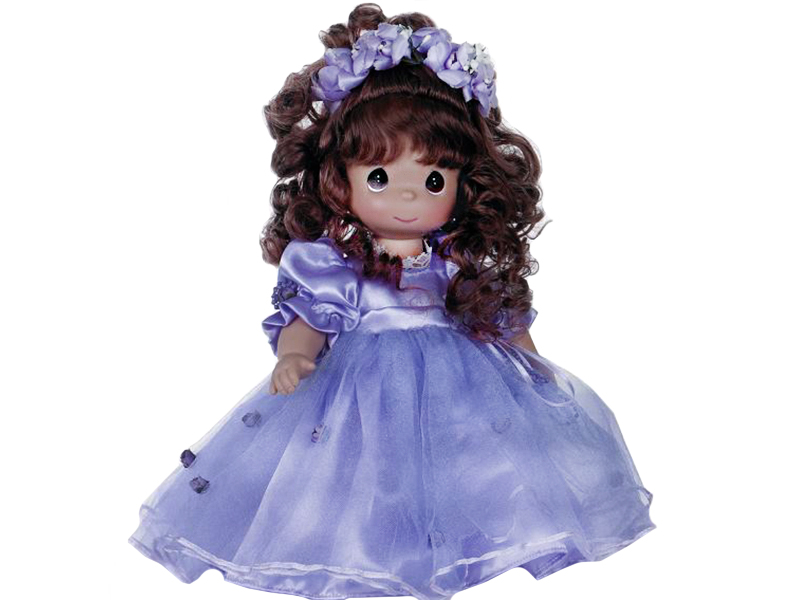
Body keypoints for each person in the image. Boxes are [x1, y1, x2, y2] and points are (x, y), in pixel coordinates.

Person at [128, 5, 656, 599]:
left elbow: (501, 321)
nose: (407, 195)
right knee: (364, 489)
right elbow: (308, 319)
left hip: (463, 399)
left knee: (466, 483)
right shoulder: (333, 264)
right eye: (379, 176)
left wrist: (536, 369)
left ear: (463, 182)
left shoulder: (456, 261)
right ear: (341, 177)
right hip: (359, 400)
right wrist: (295, 356)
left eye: (433, 180)